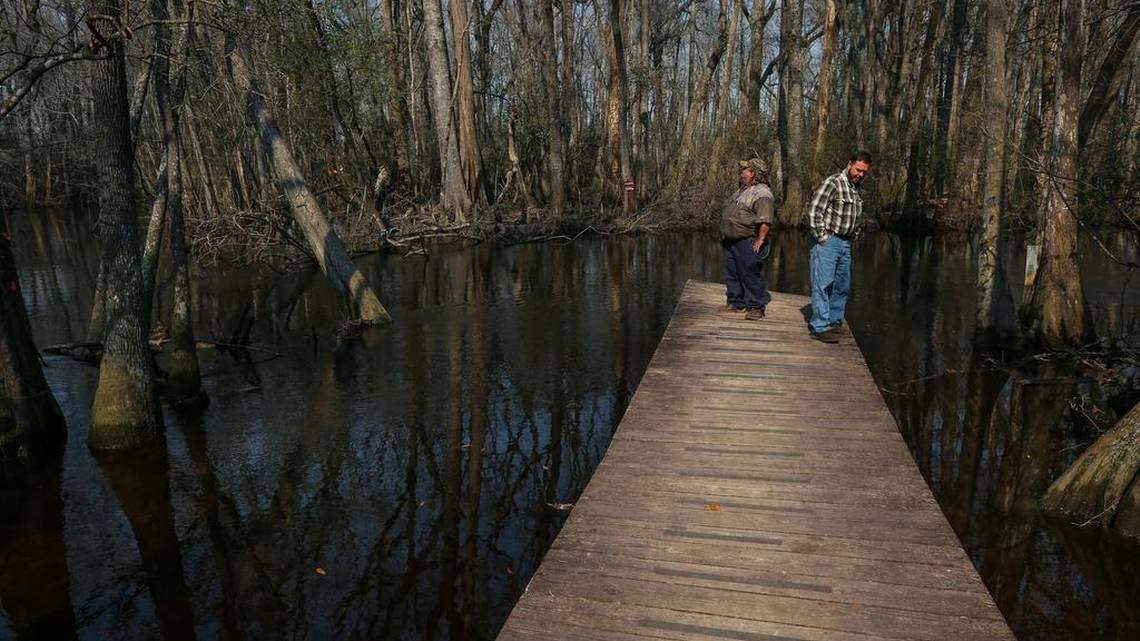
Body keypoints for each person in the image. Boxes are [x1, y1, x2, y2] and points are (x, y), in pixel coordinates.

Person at [806, 150, 872, 343]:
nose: (861, 174)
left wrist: (853, 237)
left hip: (845, 243)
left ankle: (834, 321)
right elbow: (814, 211)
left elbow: (855, 217)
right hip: (829, 240)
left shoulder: (856, 189)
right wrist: (822, 237)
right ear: (849, 164)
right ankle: (820, 326)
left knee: (842, 285)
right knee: (823, 284)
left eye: (864, 172)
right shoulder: (833, 182)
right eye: (858, 170)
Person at [720, 158, 774, 320]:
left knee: (750, 274)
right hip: (732, 240)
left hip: (748, 240)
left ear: (754, 173)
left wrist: (761, 239)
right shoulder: (743, 189)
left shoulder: (762, 193)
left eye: (745, 170)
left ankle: (756, 307)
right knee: (732, 272)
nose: (742, 172)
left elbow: (765, 219)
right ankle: (736, 302)